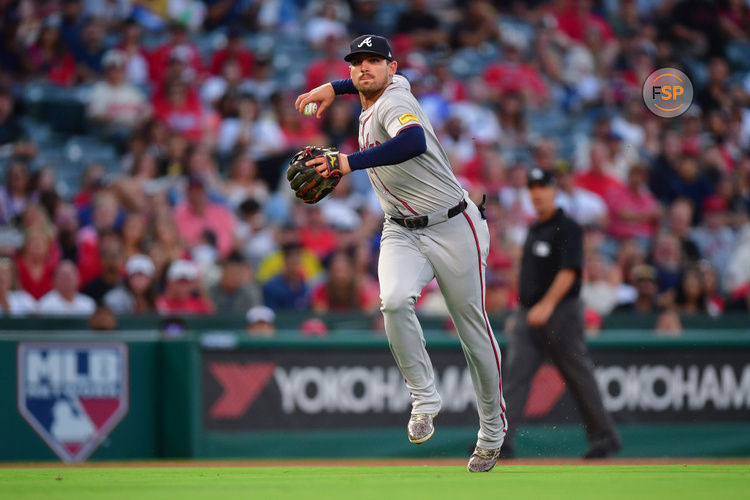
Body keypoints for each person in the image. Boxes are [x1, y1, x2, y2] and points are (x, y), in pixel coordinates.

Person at [295, 35, 506, 472]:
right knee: (391, 301)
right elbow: (362, 84)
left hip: (453, 225)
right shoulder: (378, 89)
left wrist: (345, 163)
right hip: (401, 229)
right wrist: (334, 88)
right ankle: (425, 398)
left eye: (374, 61)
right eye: (357, 62)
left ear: (393, 68)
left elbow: (413, 142)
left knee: (471, 329)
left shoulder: (394, 102)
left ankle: (491, 429)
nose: (364, 68)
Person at [502, 167, 621, 459]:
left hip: (561, 312)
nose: (537, 192)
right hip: (528, 314)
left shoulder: (566, 226)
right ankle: (499, 442)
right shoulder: (534, 228)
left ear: (554, 190)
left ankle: (605, 438)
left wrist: (547, 304)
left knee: (578, 374)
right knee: (514, 377)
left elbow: (570, 271)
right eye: (532, 187)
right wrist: (522, 308)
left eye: (542, 186)